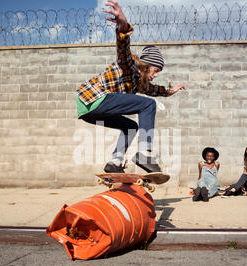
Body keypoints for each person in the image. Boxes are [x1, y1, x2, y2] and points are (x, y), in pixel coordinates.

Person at [76, 0, 185, 173]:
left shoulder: (138, 84)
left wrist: (171, 90)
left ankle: (115, 162)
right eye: (155, 70)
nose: (155, 75)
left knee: (130, 127)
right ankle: (145, 153)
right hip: (95, 99)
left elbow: (156, 90)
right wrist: (123, 26)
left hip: (88, 111)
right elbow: (123, 48)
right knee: (148, 104)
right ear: (146, 65)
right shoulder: (130, 65)